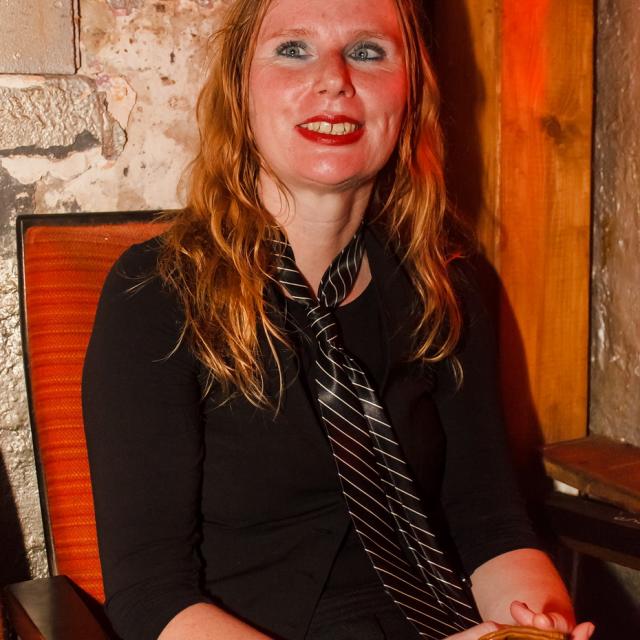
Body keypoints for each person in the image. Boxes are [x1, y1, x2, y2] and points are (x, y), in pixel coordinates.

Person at [82, 0, 595, 639]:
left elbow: (491, 525)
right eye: (293, 49)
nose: (333, 78)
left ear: (411, 95)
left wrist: (535, 629)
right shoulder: (155, 293)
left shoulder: (447, 284)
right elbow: (150, 598)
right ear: (240, 89)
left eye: (367, 51)